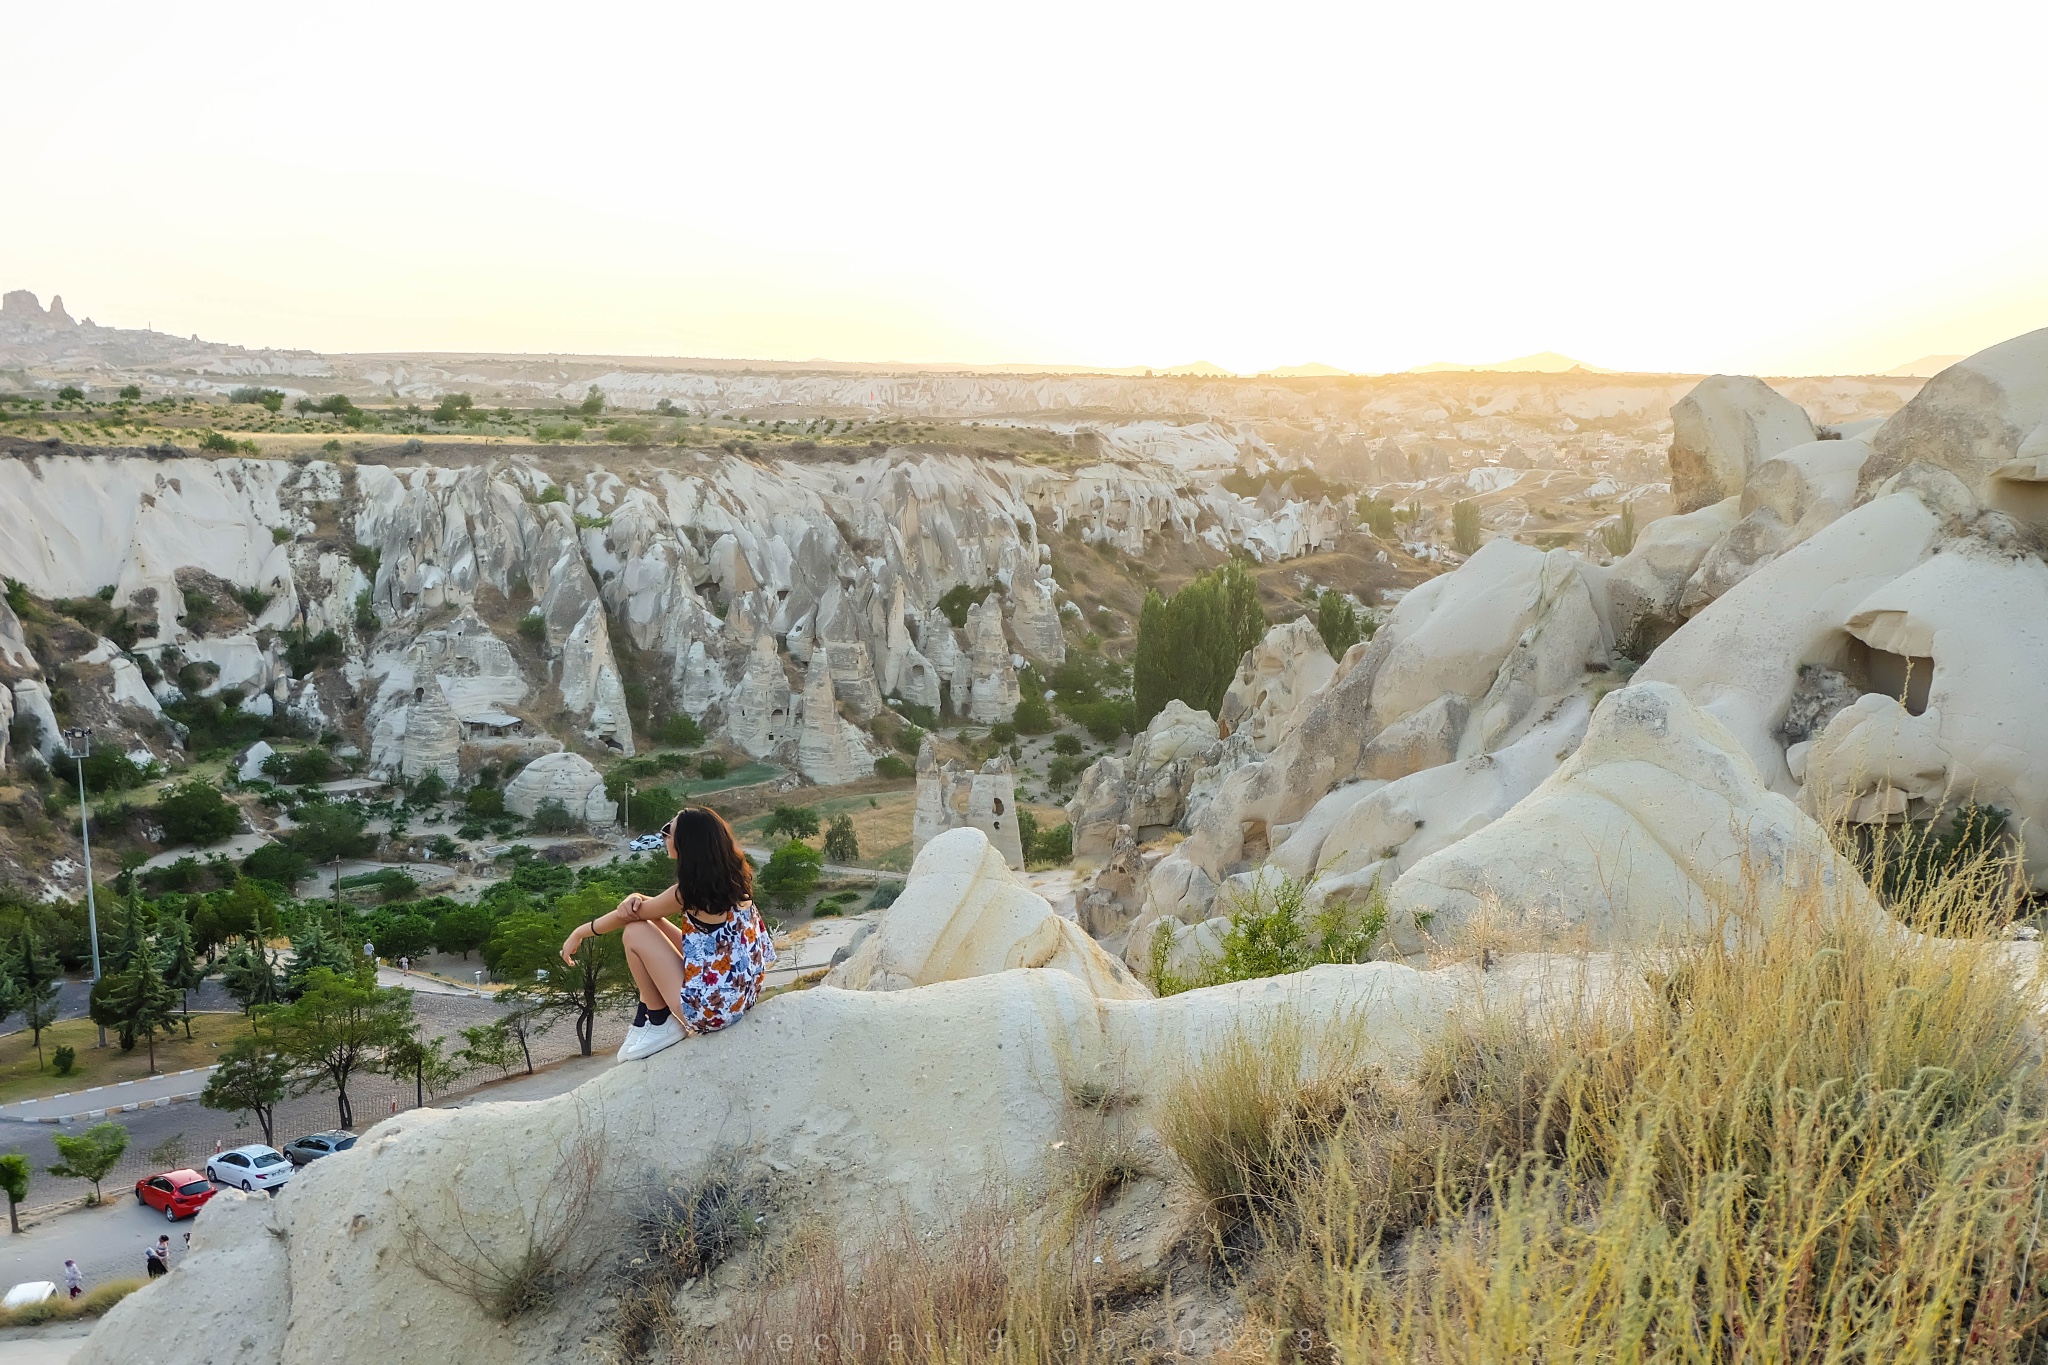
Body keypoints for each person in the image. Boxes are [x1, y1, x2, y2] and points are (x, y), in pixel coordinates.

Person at [560, 807, 776, 1061]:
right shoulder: (733, 881)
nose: (663, 837)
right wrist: (640, 900)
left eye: (667, 831)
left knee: (634, 932)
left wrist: (579, 932)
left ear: (686, 843)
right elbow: (702, 948)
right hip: (738, 999)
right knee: (644, 924)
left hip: (709, 1011)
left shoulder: (689, 893)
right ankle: (647, 1018)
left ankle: (659, 1020)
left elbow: (631, 916)